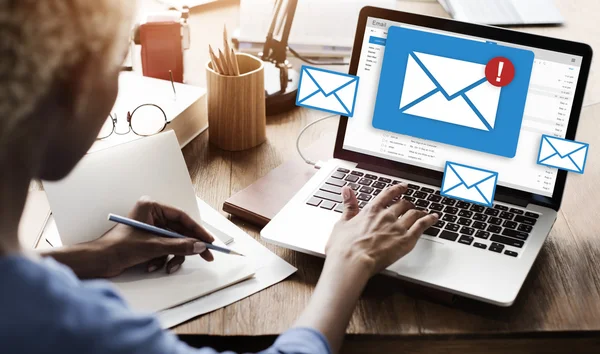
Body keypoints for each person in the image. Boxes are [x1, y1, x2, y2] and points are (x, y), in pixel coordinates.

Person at [0, 1, 438, 353]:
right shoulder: (78, 328)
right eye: (117, 66)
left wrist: (96, 255)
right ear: (73, 88)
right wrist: (349, 262)